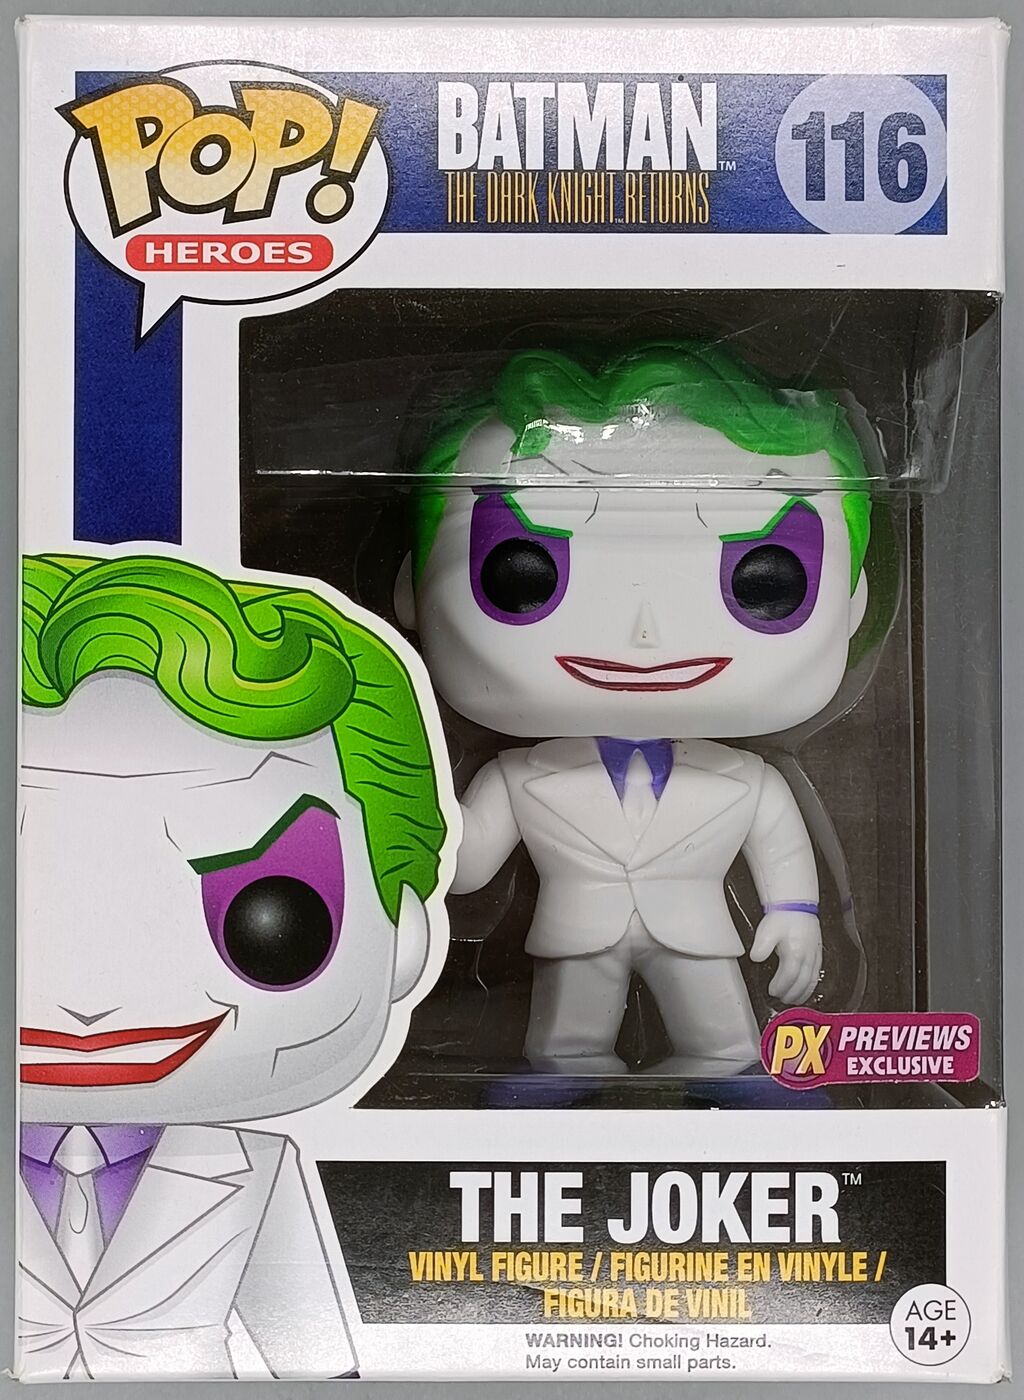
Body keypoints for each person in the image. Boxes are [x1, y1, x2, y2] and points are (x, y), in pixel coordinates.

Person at [18, 552, 450, 1380]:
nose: (90, 1001)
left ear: (402, 935)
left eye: (268, 918)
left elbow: (318, 1362)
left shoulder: (258, 1168)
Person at [398, 341, 871, 1077]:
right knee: (565, 1046)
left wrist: (794, 913)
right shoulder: (519, 778)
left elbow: (778, 845)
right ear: (413, 596)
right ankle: (566, 1074)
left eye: (763, 577)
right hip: (576, 932)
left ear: (853, 603)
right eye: (524, 573)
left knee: (723, 1041)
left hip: (699, 930)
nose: (645, 634)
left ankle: (724, 1068)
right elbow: (465, 865)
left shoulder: (748, 781)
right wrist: (399, 845)